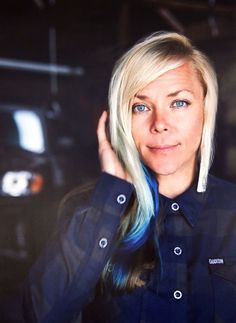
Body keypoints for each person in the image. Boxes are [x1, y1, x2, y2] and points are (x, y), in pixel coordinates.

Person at [22, 31, 236, 323]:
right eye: (141, 107)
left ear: (205, 111)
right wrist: (112, 191)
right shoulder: (90, 211)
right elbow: (39, 315)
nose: (160, 124)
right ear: (122, 120)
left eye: (179, 103)